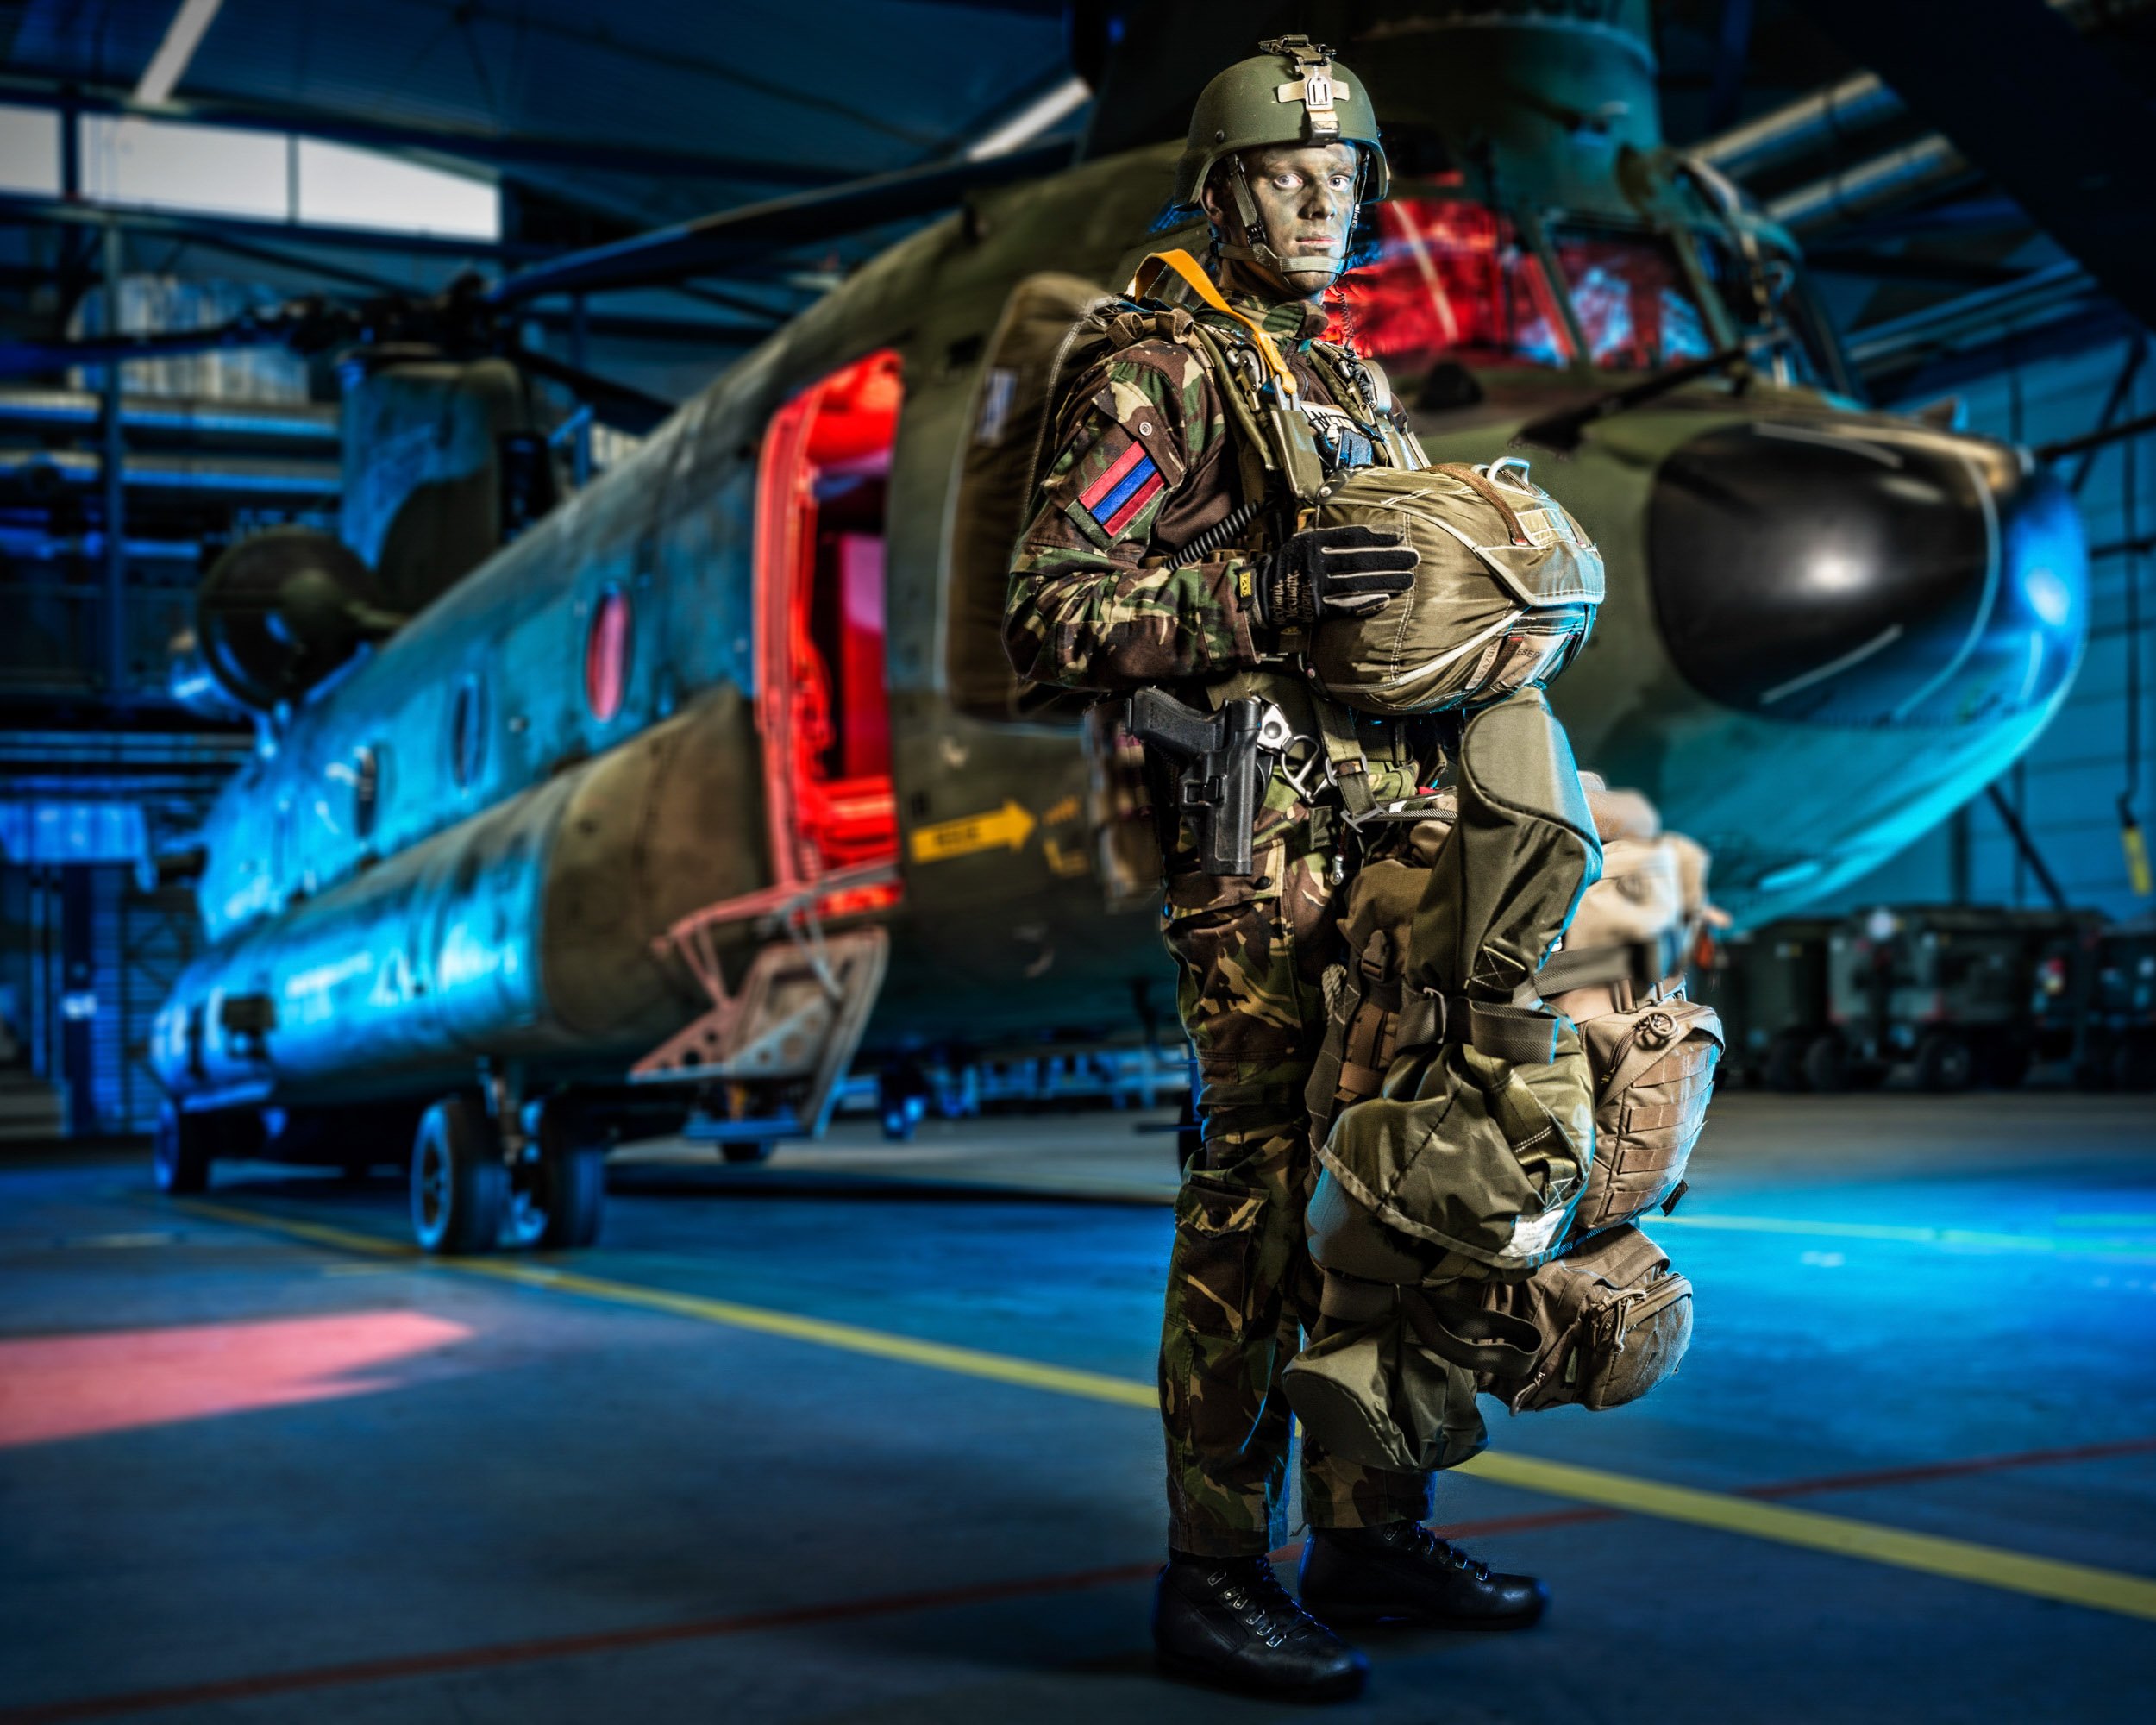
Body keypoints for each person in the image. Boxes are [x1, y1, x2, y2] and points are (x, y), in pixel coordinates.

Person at [1004, 34, 1546, 1705]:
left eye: (1342, 181)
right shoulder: (1148, 367)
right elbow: (1053, 611)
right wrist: (1260, 606)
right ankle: (1213, 1566)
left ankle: (1371, 1529)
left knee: (1399, 1178)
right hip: (1255, 844)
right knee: (1253, 1196)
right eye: (1286, 178)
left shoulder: (1343, 372)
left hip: (1397, 829)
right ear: (1222, 185)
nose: (1320, 206)